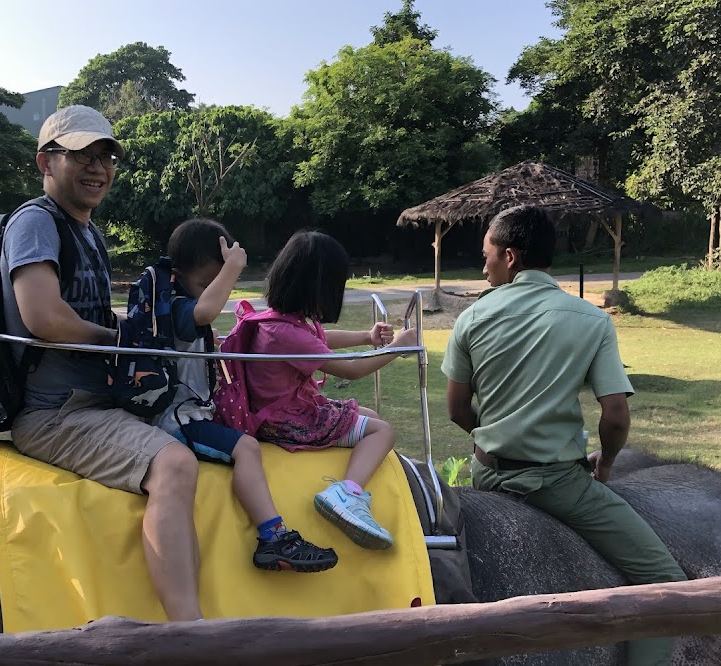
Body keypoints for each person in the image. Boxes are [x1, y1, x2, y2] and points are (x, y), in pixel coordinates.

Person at [441, 205, 687, 666]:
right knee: (665, 585)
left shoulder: (471, 319)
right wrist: (607, 462)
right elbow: (614, 415)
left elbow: (456, 409)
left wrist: (498, 436)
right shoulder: (590, 320)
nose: (484, 264)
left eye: (487, 255)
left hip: (488, 477)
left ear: (510, 257)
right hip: (559, 485)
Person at [0, 105, 203, 621]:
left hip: (98, 397)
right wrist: (124, 339)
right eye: (82, 156)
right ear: (45, 161)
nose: (98, 168)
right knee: (175, 464)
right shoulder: (35, 223)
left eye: (106, 156)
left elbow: (89, 312)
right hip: (57, 411)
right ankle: (191, 632)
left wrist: (146, 334)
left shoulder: (86, 231)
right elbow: (43, 316)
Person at [153, 218, 338, 573]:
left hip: (197, 411)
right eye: (208, 283)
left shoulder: (188, 306)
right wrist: (234, 267)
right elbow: (205, 311)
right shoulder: (177, 306)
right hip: (178, 421)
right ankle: (273, 536)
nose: (214, 292)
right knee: (246, 448)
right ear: (177, 274)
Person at [244, 230, 418, 550]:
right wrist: (396, 348)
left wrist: (367, 337)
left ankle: (350, 485)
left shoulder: (279, 320)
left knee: (368, 416)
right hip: (289, 420)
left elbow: (321, 340)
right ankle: (345, 494)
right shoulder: (286, 334)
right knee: (382, 431)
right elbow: (351, 370)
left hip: (282, 411)